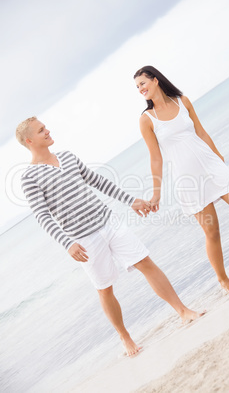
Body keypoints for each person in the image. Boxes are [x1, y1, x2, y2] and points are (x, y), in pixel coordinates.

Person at [16, 116, 204, 357]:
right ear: (30, 140)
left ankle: (183, 311)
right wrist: (67, 243)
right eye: (42, 130)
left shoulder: (67, 156)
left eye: (46, 127)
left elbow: (98, 183)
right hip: (83, 240)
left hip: (109, 222)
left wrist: (131, 201)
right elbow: (42, 215)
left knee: (146, 262)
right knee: (105, 289)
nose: (48, 131)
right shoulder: (29, 177)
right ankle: (125, 338)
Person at [134, 66, 229, 293]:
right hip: (188, 179)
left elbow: (201, 133)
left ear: (155, 80)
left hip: (211, 165)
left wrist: (219, 159)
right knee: (212, 230)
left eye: (143, 83)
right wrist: (156, 193)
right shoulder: (147, 120)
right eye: (137, 87)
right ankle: (223, 280)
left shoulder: (182, 101)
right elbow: (155, 158)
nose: (140, 89)